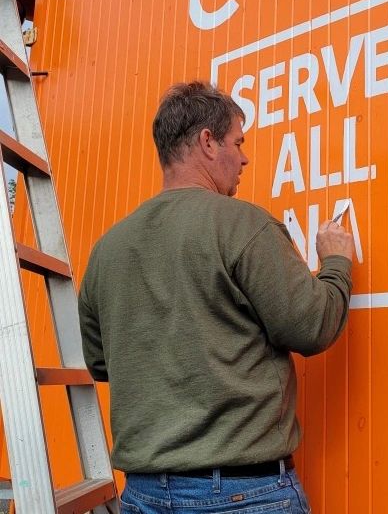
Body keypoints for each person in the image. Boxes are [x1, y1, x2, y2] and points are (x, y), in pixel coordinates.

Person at [78, 81, 354, 514]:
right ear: (207, 142)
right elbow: (312, 325)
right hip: (241, 497)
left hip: (142, 496)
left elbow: (100, 362)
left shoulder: (107, 248)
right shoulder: (242, 225)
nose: (244, 157)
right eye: (238, 142)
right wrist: (336, 263)